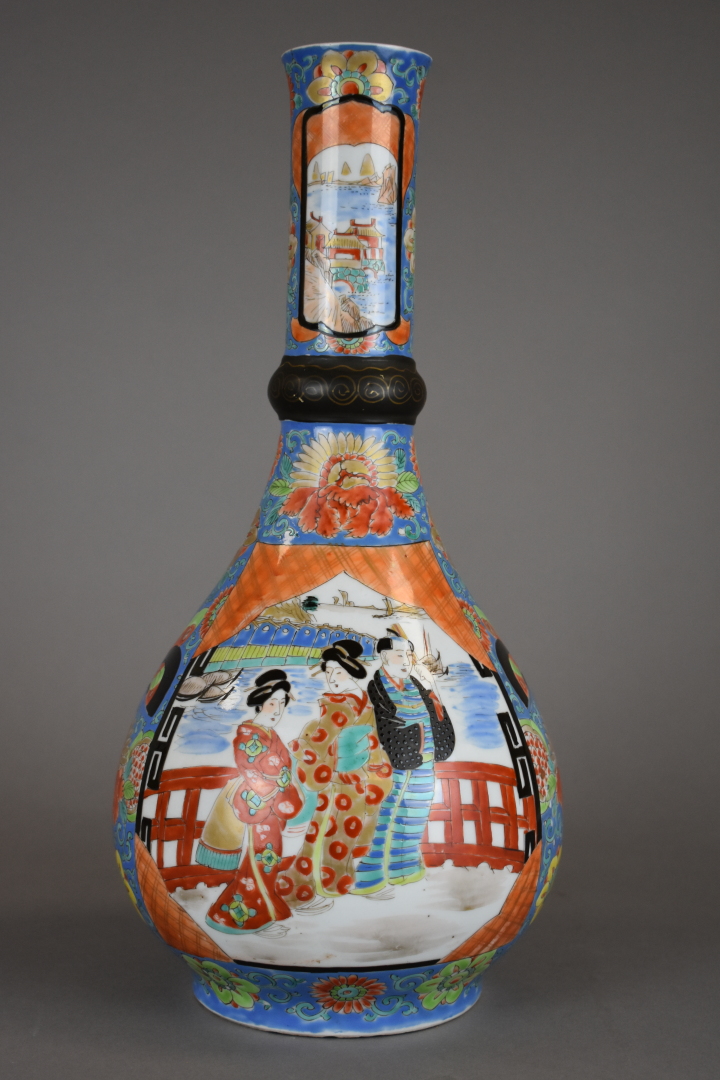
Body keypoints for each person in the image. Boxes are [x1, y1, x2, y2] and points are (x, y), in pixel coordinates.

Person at [275, 640, 393, 913]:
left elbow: (321, 741)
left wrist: (302, 748)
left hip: (343, 785)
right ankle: (322, 888)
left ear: (351, 671)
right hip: (353, 785)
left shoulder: (344, 704)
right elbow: (368, 743)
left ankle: (310, 889)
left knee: (326, 837)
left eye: (338, 672)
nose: (332, 679)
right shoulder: (359, 703)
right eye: (328, 672)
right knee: (337, 837)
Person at [200, 670, 303, 935]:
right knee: (259, 861)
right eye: (272, 703)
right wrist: (278, 781)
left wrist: (285, 779)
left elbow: (282, 769)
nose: (277, 710)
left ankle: (264, 907)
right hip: (257, 804)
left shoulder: (270, 734)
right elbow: (258, 770)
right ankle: (241, 916)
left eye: (282, 703)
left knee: (267, 859)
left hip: (271, 806)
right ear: (259, 703)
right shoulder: (248, 735)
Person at [353, 634, 455, 895]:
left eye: (408, 655)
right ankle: (369, 876)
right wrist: (407, 745)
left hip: (425, 763)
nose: (406, 661)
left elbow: (436, 714)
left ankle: (404, 869)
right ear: (384, 657)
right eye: (399, 655)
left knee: (415, 816)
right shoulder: (377, 689)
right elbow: (381, 727)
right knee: (384, 817)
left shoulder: (417, 684)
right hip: (393, 766)